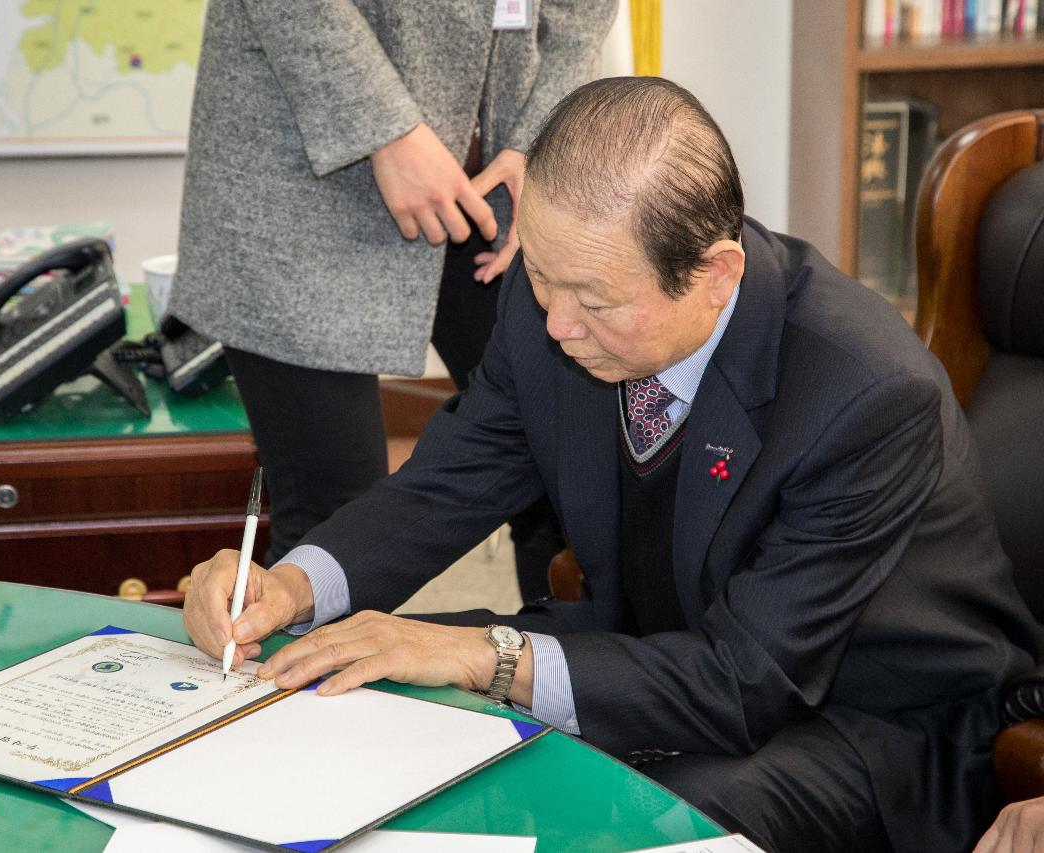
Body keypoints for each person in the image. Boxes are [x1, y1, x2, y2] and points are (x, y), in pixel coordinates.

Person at [181, 76, 1041, 853]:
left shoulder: (863, 395)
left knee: (640, 824)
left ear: (716, 272)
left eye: (593, 303)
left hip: (871, 722)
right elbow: (447, 483)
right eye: (544, 282)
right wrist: (288, 586)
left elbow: (745, 684)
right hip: (655, 649)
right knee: (376, 699)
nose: (556, 326)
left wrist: (489, 653)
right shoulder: (560, 292)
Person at [167, 0, 616, 600]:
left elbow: (579, 13)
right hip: (305, 174)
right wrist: (385, 129)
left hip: (503, 180)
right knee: (329, 524)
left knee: (566, 491)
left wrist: (541, 139)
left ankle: (556, 684)